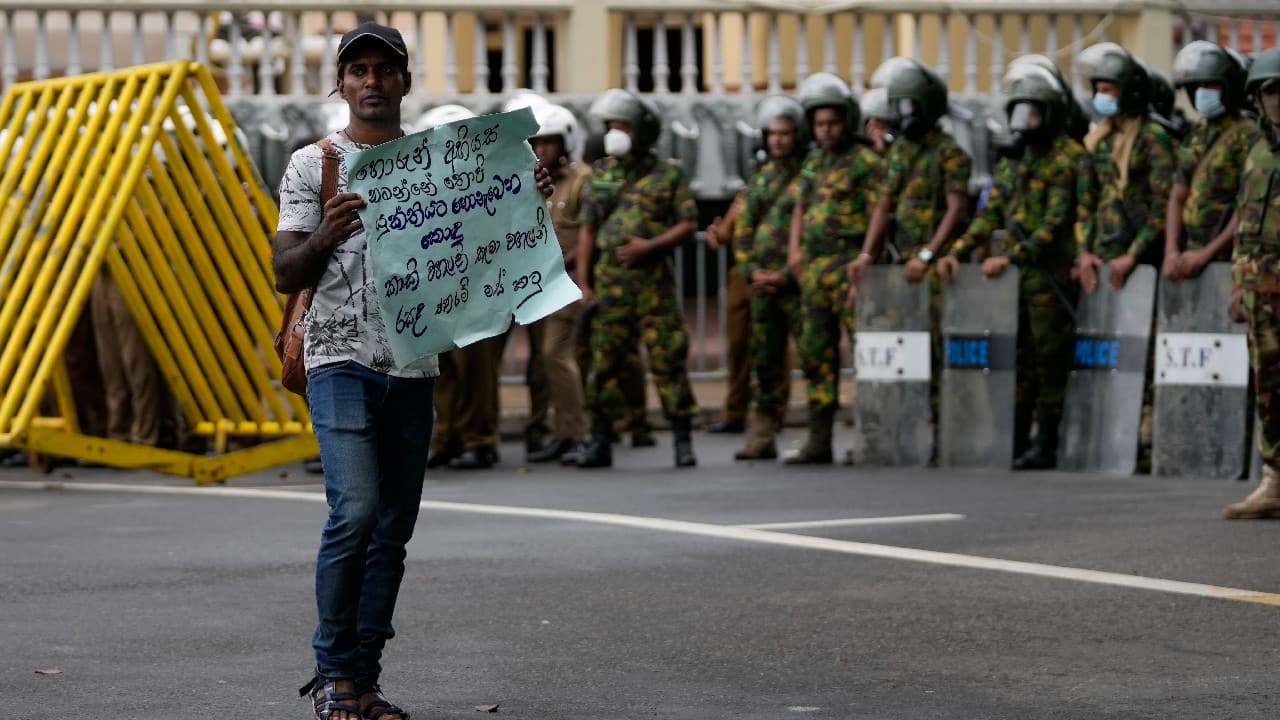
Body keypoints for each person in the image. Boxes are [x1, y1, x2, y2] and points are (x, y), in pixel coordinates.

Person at [272, 23, 552, 719]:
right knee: (356, 511)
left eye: (384, 70)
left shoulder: (443, 163)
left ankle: (363, 682)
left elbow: (487, 244)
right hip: (338, 358)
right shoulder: (314, 165)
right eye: (358, 69)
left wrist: (525, 193)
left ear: (402, 80)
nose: (371, 81)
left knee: (392, 528)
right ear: (340, 82)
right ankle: (334, 672)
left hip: (413, 364)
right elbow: (283, 271)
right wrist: (328, 234)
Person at [938, 63, 1090, 470]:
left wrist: (1012, 257)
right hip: (1014, 284)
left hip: (1049, 278)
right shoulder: (1013, 162)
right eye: (1020, 113)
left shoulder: (1069, 159)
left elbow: (1055, 224)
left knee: (1050, 359)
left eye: (1033, 114)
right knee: (1018, 358)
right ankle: (1017, 436)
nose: (1026, 123)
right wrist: (959, 249)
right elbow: (990, 214)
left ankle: (1049, 441)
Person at [847, 59, 970, 464]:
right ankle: (897, 430)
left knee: (933, 351)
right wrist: (867, 254)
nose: (904, 117)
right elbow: (884, 206)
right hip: (900, 267)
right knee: (900, 350)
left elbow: (954, 210)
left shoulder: (949, 153)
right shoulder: (899, 153)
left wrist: (927, 255)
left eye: (911, 107)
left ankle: (939, 432)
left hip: (930, 267)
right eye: (899, 108)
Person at [575, 89, 699, 468]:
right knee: (605, 362)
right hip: (611, 287)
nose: (615, 133)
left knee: (667, 359)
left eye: (623, 126)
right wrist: (584, 282)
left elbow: (688, 223)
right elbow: (588, 231)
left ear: (642, 130)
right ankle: (601, 438)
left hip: (653, 287)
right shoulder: (602, 173)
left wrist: (651, 246)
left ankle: (681, 437)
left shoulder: (669, 174)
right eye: (611, 126)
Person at [784, 72, 882, 464]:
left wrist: (867, 256)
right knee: (815, 354)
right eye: (819, 124)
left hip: (848, 266)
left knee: (863, 352)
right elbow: (801, 207)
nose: (825, 131)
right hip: (814, 268)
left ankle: (869, 437)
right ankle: (819, 439)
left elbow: (879, 212)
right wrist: (794, 249)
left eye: (833, 123)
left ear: (847, 121)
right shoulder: (813, 161)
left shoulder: (864, 161)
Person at [731, 95, 808, 460]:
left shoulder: (810, 175)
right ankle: (761, 435)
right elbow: (742, 231)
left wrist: (784, 275)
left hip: (797, 283)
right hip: (762, 285)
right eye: (773, 133)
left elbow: (816, 229)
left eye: (785, 133)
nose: (777, 140)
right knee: (764, 358)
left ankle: (817, 432)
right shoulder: (760, 179)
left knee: (812, 355)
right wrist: (752, 271)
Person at [1223, 49, 1280, 519]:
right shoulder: (1257, 152)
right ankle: (1274, 479)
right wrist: (1239, 284)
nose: (1278, 99)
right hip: (1260, 293)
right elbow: (1246, 222)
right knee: (1267, 386)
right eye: (1270, 91)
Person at [1075, 42, 1176, 293]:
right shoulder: (1098, 139)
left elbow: (1163, 203)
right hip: (1101, 260)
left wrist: (1133, 254)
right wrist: (1084, 252)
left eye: (1108, 90)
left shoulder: (1153, 137)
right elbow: (1086, 202)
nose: (1101, 97)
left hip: (1141, 261)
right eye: (1098, 90)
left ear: (1128, 91)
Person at [526, 103, 592, 463]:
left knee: (557, 354)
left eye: (549, 143)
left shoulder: (582, 181)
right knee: (542, 359)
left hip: (565, 283)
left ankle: (579, 434)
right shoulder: (536, 181)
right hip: (538, 286)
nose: (541, 151)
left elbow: (588, 235)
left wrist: (561, 264)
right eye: (536, 143)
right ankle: (562, 432)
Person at [1164, 41, 1256, 283]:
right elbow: (1177, 195)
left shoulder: (1248, 136)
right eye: (1198, 86)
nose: (1202, 92)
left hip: (1227, 260)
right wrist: (1171, 252)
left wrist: (1206, 254)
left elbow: (1247, 207)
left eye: (1211, 85)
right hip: (1189, 257)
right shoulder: (1196, 133)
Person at [704, 192, 751, 435]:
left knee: (770, 345)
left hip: (774, 272)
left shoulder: (795, 185)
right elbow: (726, 233)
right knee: (737, 346)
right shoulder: (749, 191)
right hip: (742, 276)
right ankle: (734, 412)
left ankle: (773, 411)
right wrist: (717, 232)